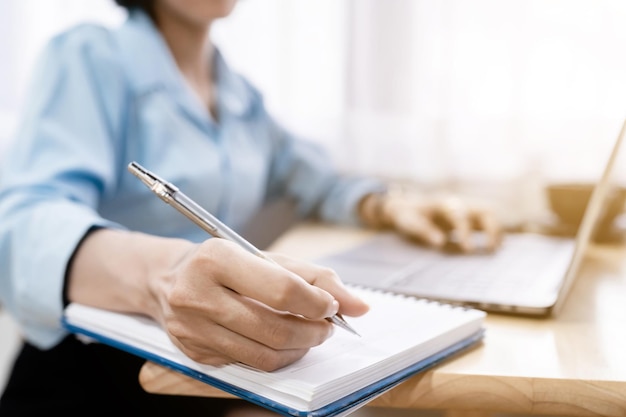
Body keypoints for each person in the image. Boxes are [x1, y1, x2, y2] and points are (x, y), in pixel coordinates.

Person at [0, 0, 501, 415]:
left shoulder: (238, 92)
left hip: (212, 363)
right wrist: (164, 277)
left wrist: (388, 204)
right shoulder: (89, 56)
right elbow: (22, 227)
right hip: (88, 377)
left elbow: (312, 175)